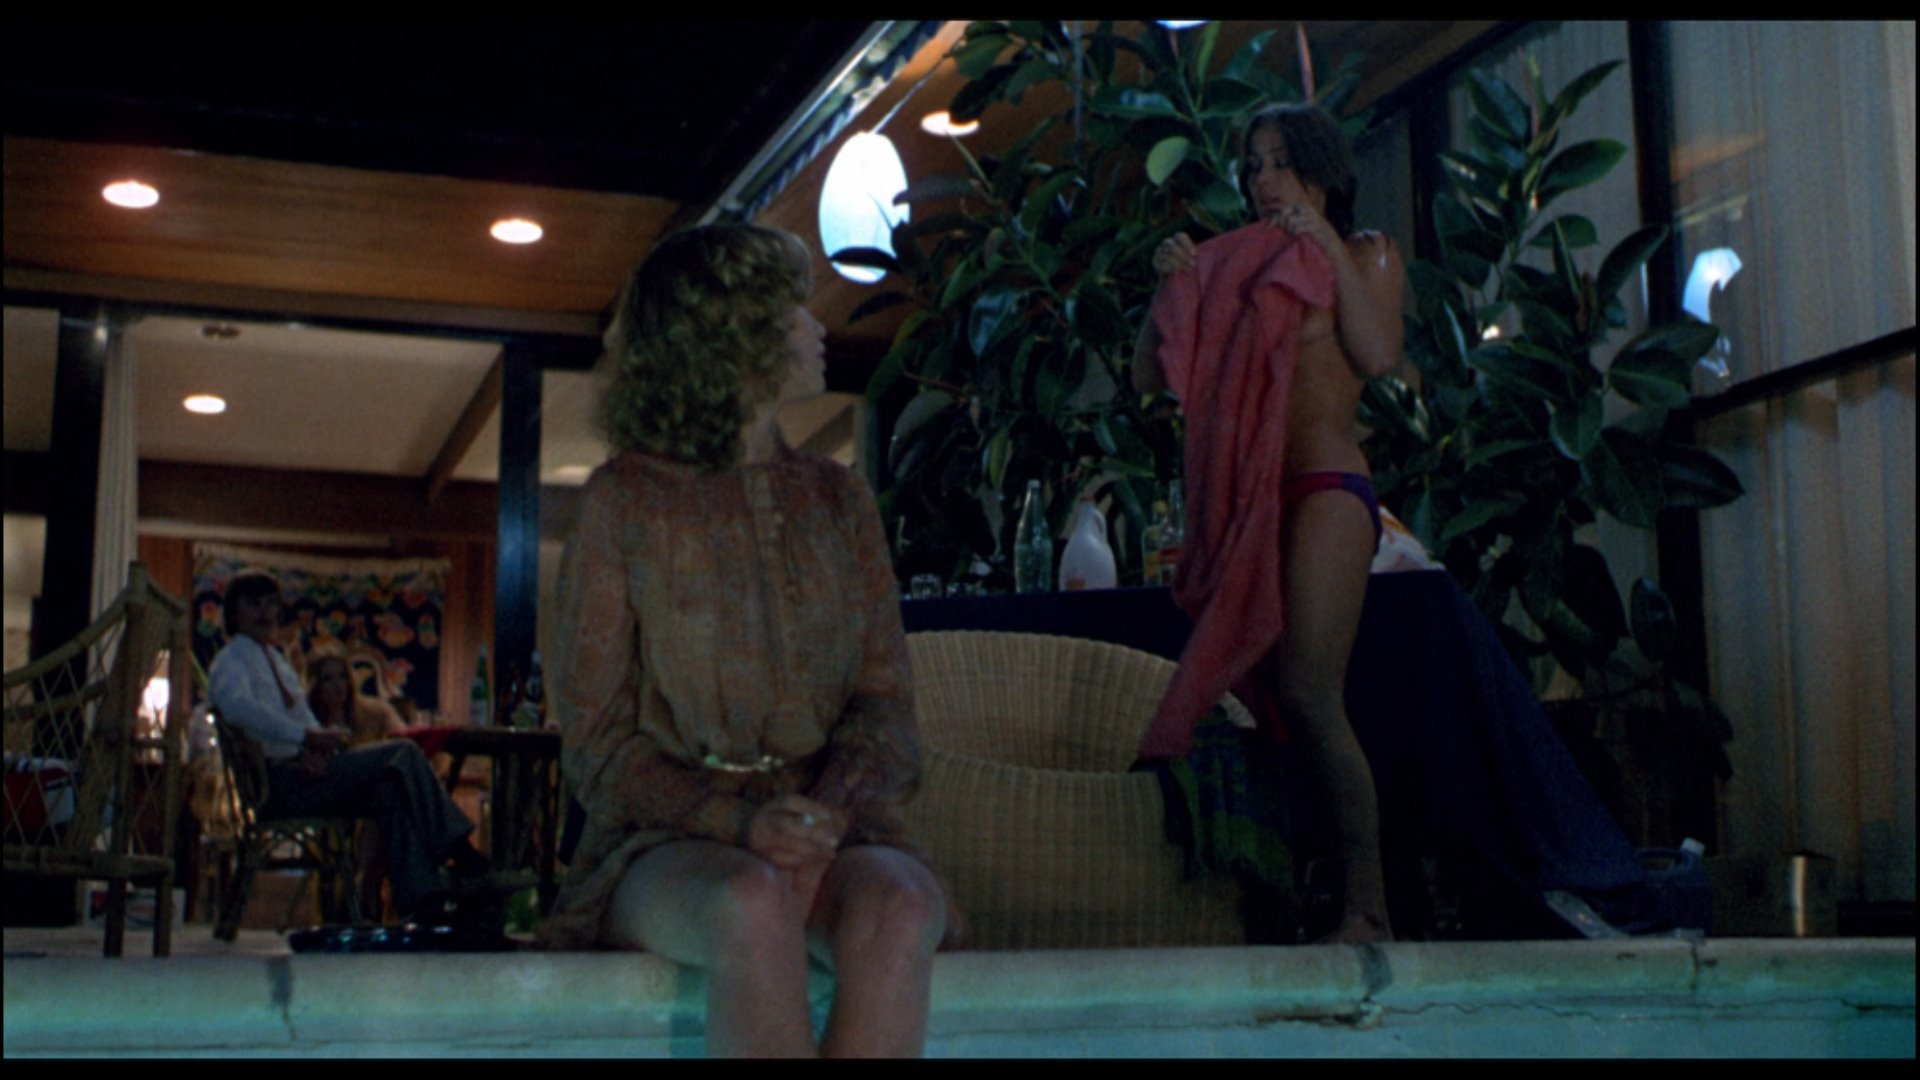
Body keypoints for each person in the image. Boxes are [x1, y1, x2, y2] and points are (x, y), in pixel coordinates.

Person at [539, 223, 953, 1058]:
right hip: (666, 846)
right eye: (791, 309)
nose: (815, 327)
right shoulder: (624, 503)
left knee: (901, 907)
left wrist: (823, 817)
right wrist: (740, 823)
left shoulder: (839, 500)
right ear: (732, 335)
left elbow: (885, 704)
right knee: (750, 904)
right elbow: (598, 748)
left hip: (831, 828)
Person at [1133, 104, 1405, 945]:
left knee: (1308, 692)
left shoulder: (1368, 252)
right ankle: (1285, 902)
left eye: (1281, 161)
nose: (1264, 180)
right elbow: (1150, 375)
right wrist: (1169, 286)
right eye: (1253, 166)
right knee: (1256, 705)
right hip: (1251, 500)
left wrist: (1323, 243)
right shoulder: (1239, 265)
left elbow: (1378, 354)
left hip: (1327, 487)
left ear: (1322, 170)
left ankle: (1369, 909)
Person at [206, 570, 495, 926]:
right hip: (276, 784)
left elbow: (300, 720)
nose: (265, 613)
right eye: (253, 605)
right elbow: (239, 710)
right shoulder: (232, 660)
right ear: (234, 612)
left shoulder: (275, 660)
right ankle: (461, 852)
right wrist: (304, 741)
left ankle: (423, 901)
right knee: (402, 751)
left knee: (390, 789)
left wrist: (312, 746)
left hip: (303, 769)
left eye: (270, 605)